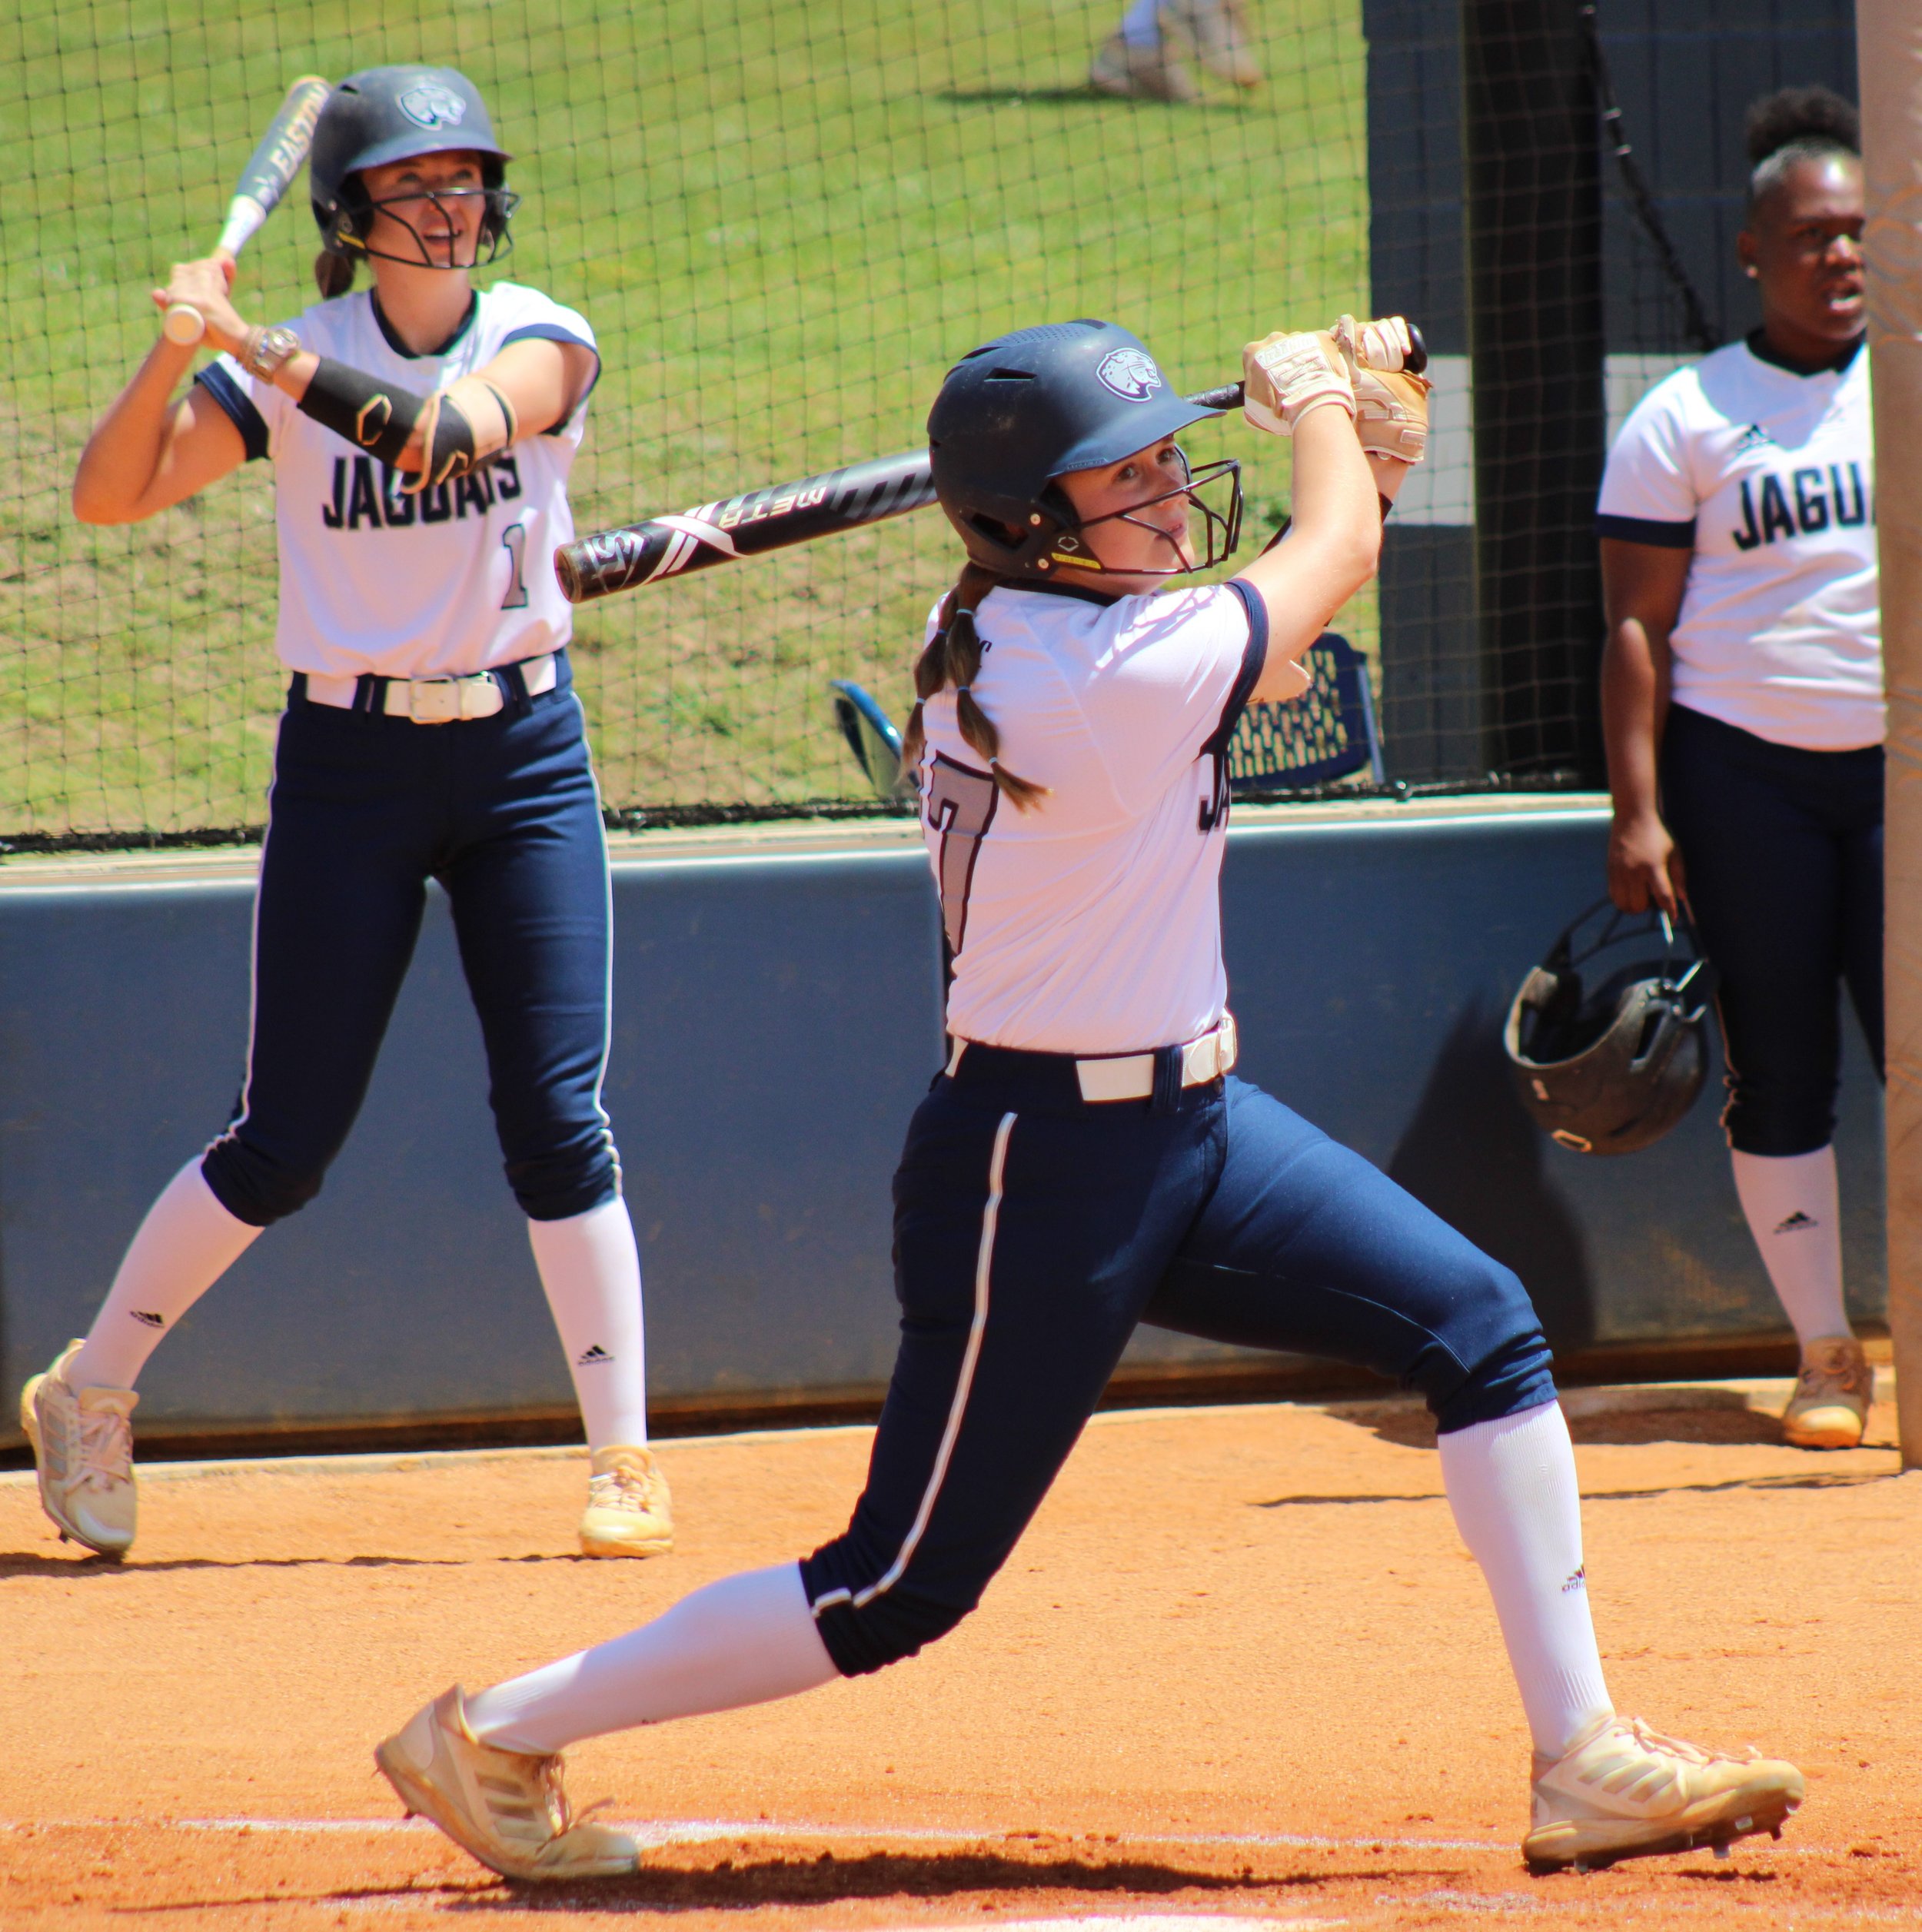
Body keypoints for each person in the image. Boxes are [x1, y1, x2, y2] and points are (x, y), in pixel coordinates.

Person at [372, 314, 1802, 1883]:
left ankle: (1581, 1752)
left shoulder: (1056, 625)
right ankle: (495, 1728)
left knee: (1478, 1321)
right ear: (1029, 522)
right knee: (893, 1585)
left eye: (1158, 467)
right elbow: (1320, 550)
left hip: (1192, 1125)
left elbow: (1329, 547)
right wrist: (1318, 400)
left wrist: (1358, 433)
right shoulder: (1089, 676)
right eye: (1124, 481)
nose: (1171, 501)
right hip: (1034, 1168)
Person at [20, 66, 672, 1563]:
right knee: (284, 1140)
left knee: (559, 1116)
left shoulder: (542, 335)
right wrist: (172, 351)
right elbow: (111, 495)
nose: (447, 207)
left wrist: (247, 347)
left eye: (464, 182)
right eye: (412, 185)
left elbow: (444, 436)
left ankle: (623, 1458)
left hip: (523, 752)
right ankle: (92, 1388)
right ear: (354, 214)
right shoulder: (286, 359)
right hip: (349, 764)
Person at [1598, 86, 1878, 1451]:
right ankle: (1827, 1352)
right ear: (1756, 249)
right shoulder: (1688, 416)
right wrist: (1640, 810)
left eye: (1862, 234)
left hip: (1904, 781)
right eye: (1814, 235)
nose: (1843, 257)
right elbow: (1637, 626)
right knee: (1780, 1071)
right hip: (1750, 779)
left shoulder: (1914, 381)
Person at [1090, 0, 1260, 103]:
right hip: (1143, 56)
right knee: (1191, 102)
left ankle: (1116, 77)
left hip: (1114, 48)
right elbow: (1174, 28)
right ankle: (1120, 79)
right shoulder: (1203, 5)